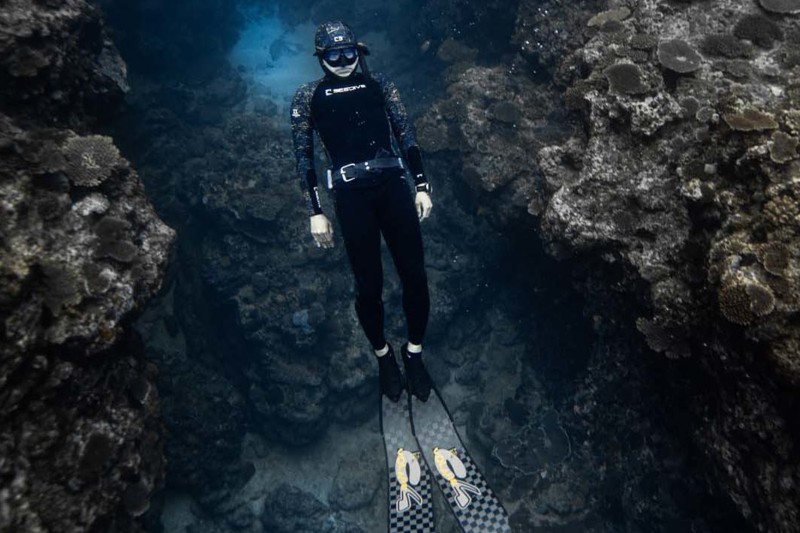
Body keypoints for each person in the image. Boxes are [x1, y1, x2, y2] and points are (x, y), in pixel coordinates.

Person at [290, 21, 433, 402]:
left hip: (393, 188)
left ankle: (414, 354)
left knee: (415, 278)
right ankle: (384, 357)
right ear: (320, 58)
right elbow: (303, 156)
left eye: (348, 53)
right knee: (369, 288)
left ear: (359, 51)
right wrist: (315, 210)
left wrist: (421, 186)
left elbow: (405, 132)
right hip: (352, 198)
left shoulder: (379, 84)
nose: (342, 61)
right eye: (333, 55)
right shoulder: (308, 96)